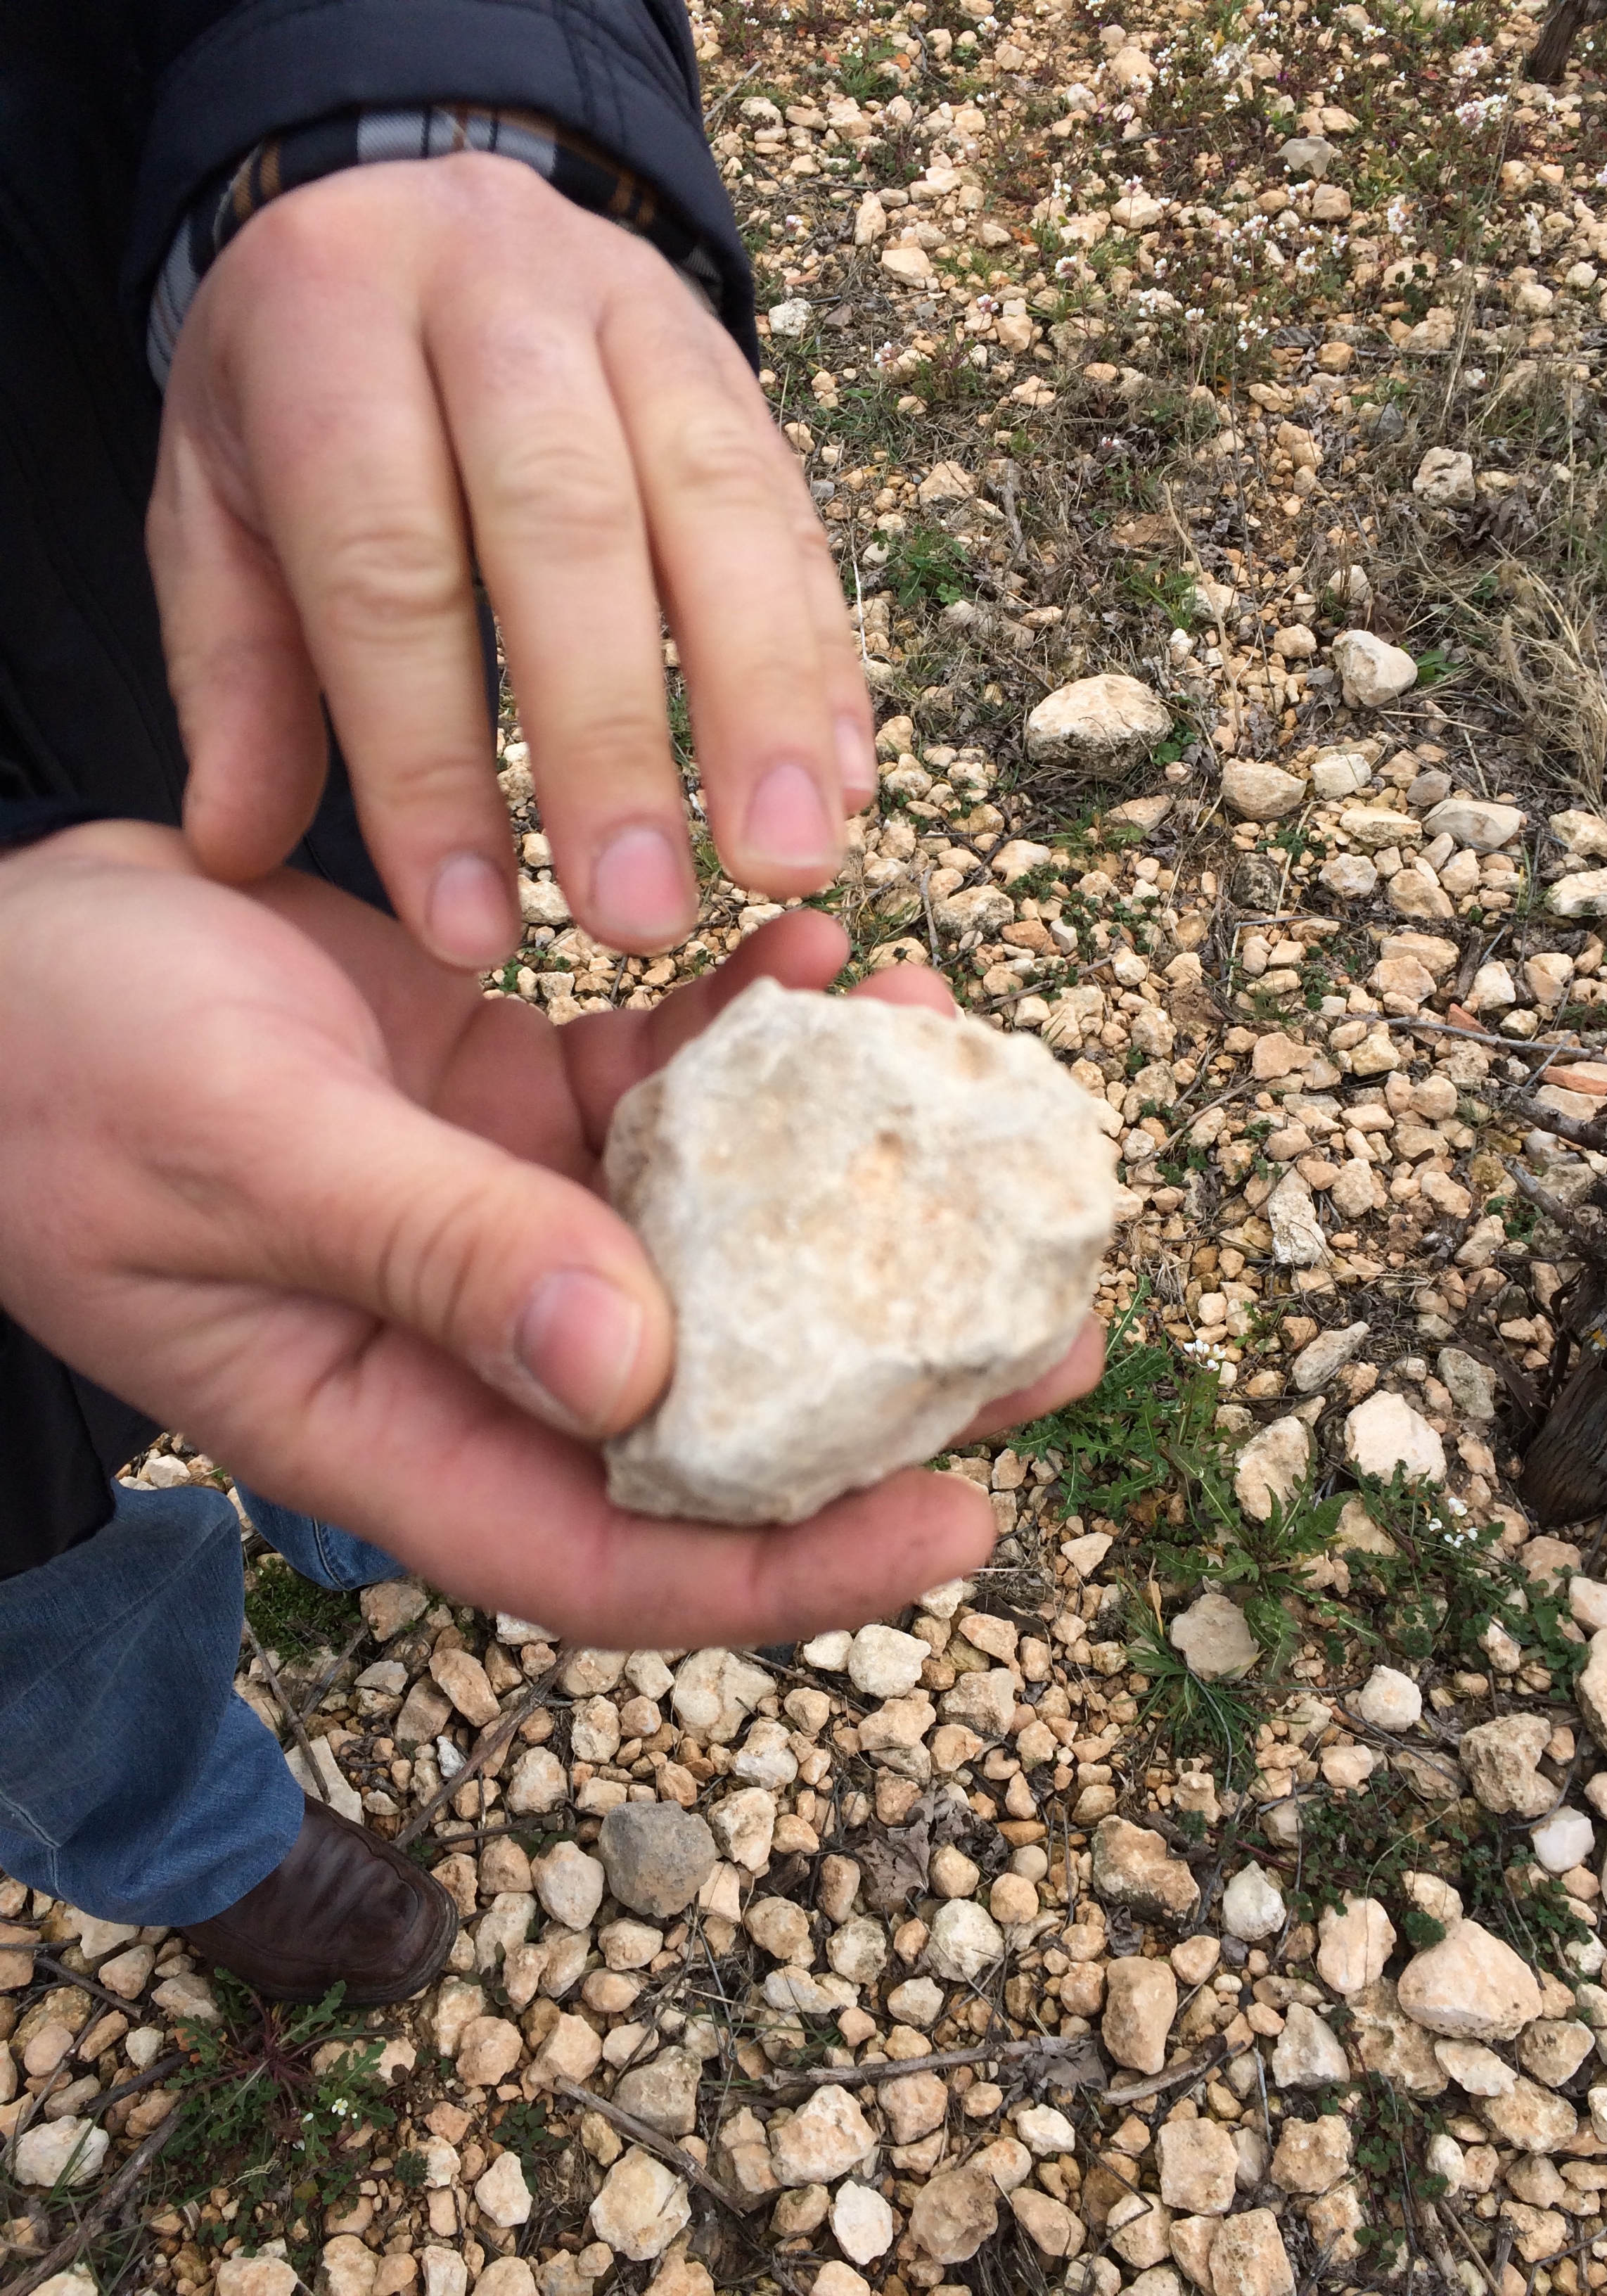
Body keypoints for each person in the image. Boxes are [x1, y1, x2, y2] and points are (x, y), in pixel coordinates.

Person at [0, 4, 1101, 2002]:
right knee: (33, 1616)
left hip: (188, 652)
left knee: (361, 1198)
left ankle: (362, 1510)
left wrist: (399, 106)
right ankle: (186, 1835)